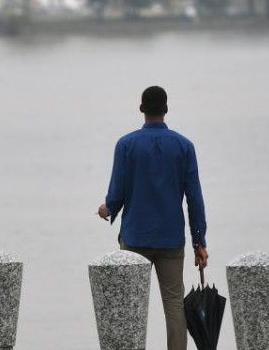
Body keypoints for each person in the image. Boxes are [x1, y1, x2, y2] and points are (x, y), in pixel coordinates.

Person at [96, 85, 208, 350]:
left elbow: (117, 193)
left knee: (131, 307)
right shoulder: (184, 146)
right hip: (170, 241)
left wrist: (107, 209)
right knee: (174, 305)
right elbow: (195, 198)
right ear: (166, 110)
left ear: (141, 108)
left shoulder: (126, 144)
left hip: (135, 239)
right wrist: (199, 241)